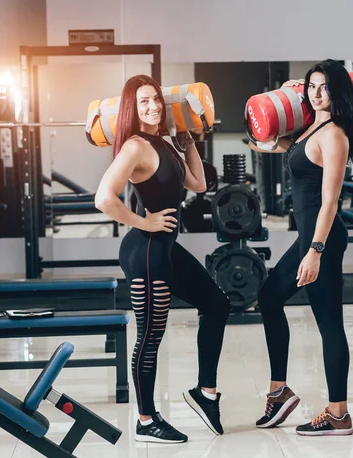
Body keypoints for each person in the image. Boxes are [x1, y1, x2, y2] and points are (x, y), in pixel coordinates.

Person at [95, 75, 230, 444]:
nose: (153, 107)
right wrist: (143, 220)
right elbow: (104, 197)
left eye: (155, 99)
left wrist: (187, 145)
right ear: (131, 110)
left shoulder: (164, 143)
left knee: (217, 304)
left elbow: (199, 185)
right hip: (146, 250)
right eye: (143, 103)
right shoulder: (135, 147)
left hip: (164, 247)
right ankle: (145, 420)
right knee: (150, 337)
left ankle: (205, 392)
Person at [248, 60, 353, 436]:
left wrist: (314, 251)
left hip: (323, 238)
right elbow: (275, 144)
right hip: (310, 238)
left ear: (338, 92)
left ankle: (338, 413)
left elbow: (330, 202)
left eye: (324, 87)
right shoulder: (311, 126)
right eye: (312, 87)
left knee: (329, 322)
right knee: (268, 297)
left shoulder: (335, 135)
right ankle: (279, 392)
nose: (317, 93)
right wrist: (286, 93)